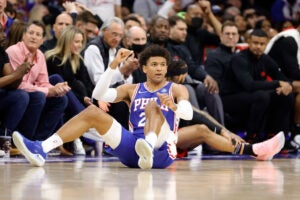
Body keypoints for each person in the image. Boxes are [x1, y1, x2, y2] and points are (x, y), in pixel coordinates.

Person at [13, 45, 285, 169]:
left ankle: (149, 145)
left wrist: (174, 107)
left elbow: (189, 114)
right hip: (133, 150)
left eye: (162, 65)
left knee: (159, 109)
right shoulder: (132, 88)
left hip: (161, 151)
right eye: (153, 64)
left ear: (167, 69)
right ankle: (41, 149)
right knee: (93, 113)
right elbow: (98, 94)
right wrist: (113, 67)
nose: (158, 68)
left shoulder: (175, 88)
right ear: (143, 68)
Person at [5, 21, 70, 141]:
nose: (34, 37)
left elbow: (43, 82)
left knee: (61, 99)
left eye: (38, 34)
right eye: (31, 33)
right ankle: (25, 139)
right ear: (24, 35)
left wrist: (55, 88)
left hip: (28, 92)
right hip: (10, 92)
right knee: (38, 97)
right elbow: (19, 85)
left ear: (43, 39)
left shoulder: (40, 55)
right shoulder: (14, 51)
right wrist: (48, 91)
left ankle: (39, 141)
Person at [45, 26, 94, 155]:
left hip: (74, 101)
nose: (79, 46)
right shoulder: (53, 59)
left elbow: (86, 84)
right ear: (67, 42)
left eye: (81, 42)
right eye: (76, 42)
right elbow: (57, 85)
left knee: (78, 87)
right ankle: (89, 127)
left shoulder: (78, 60)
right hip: (53, 98)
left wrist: (86, 97)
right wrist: (82, 97)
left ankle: (84, 132)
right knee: (62, 86)